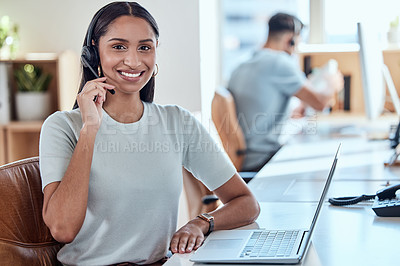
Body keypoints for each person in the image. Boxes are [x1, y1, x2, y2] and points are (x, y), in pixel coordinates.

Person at [39, 2, 260, 265]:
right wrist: (90, 129)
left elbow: (246, 203)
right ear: (94, 53)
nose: (133, 61)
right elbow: (63, 228)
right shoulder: (62, 127)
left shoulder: (177, 121)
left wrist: (202, 223)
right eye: (118, 46)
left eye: (145, 47)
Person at [228, 12, 343, 172]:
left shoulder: (243, 65)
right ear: (291, 40)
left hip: (244, 159)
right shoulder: (279, 62)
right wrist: (332, 83)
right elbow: (320, 103)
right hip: (261, 160)